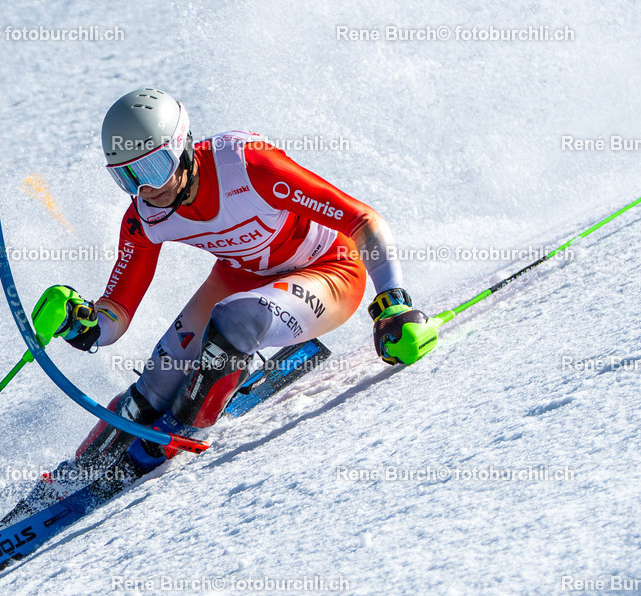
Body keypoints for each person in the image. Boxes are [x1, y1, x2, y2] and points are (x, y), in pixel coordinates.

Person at [43, 87, 428, 490]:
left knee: (232, 321)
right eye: (128, 177)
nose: (146, 190)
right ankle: (74, 475)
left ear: (183, 148)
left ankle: (167, 443)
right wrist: (80, 322)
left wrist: (394, 304)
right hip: (241, 277)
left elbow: (362, 220)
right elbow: (115, 315)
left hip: (329, 269)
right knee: (154, 387)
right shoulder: (144, 217)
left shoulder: (247, 167)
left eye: (155, 169)